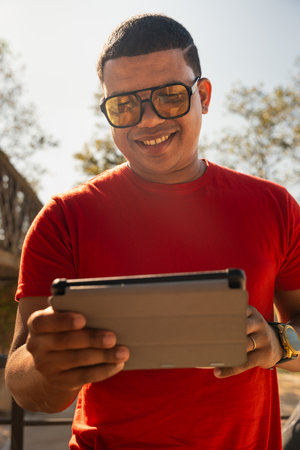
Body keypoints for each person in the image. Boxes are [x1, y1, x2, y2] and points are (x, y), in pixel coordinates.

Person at [4, 13, 300, 450]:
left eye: (168, 96)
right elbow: (24, 380)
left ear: (203, 95)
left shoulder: (274, 206)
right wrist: (45, 365)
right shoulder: (63, 219)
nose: (146, 120)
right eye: (124, 104)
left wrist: (280, 341)